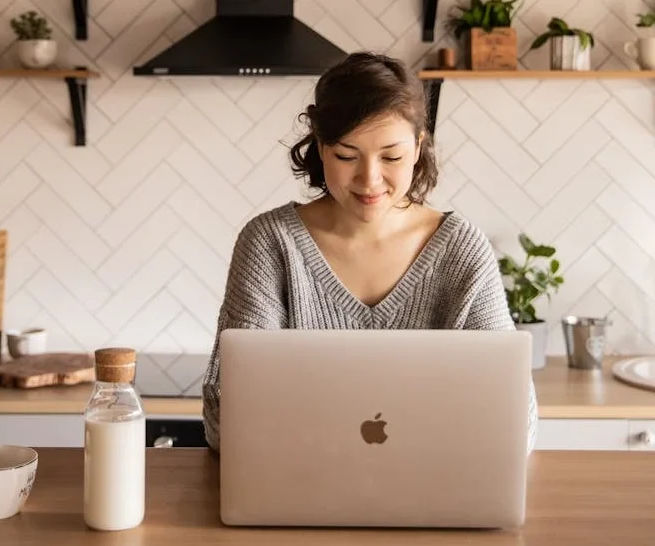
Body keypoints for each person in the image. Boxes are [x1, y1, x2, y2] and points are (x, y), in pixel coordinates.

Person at [201, 51, 538, 454]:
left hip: (434, 498)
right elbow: (226, 420)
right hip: (299, 495)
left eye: (391, 156)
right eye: (347, 156)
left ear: (418, 147)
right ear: (321, 147)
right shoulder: (270, 244)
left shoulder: (461, 251)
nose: (369, 179)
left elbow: (515, 422)